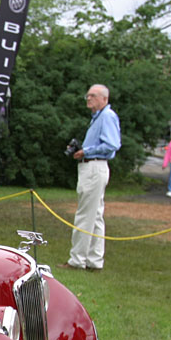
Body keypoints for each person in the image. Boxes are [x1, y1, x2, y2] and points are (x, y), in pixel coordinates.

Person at [63, 84, 120, 271]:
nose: (89, 99)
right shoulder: (98, 118)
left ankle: (77, 259)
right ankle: (94, 260)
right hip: (93, 166)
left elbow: (112, 144)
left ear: (104, 99)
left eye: (93, 96)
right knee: (95, 216)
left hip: (94, 166)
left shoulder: (107, 117)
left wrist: (86, 151)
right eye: (87, 96)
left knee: (85, 214)